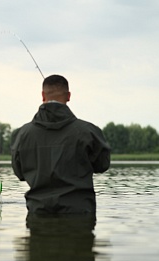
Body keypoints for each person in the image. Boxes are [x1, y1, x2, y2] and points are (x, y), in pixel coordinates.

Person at [11, 74, 111, 214]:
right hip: (79, 213)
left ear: (42, 95)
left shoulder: (22, 134)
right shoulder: (88, 132)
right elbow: (102, 165)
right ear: (69, 96)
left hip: (38, 212)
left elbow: (20, 173)